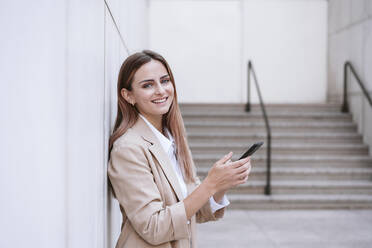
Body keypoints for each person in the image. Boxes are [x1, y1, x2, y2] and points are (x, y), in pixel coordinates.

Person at [108, 50, 252, 248]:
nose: (160, 90)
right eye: (148, 85)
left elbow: (195, 210)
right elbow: (153, 227)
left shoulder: (172, 138)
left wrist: (221, 185)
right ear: (128, 96)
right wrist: (210, 184)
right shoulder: (128, 148)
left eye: (165, 81)